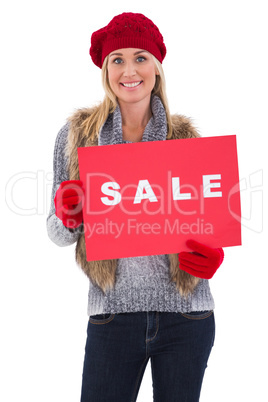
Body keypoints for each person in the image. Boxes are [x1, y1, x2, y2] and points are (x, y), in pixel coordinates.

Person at [47, 12, 224, 402]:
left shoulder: (186, 138)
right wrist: (69, 213)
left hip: (187, 316)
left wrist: (211, 253)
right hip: (112, 317)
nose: (130, 70)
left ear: (157, 68)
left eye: (141, 57)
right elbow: (57, 233)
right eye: (118, 59)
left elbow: (206, 222)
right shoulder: (78, 137)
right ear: (106, 68)